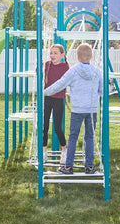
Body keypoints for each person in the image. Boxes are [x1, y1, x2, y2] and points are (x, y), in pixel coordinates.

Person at [44, 43, 102, 174]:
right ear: (91, 56)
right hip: (92, 110)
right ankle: (89, 167)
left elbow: (60, 84)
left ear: (77, 57)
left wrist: (45, 92)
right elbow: (102, 90)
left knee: (73, 137)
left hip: (77, 110)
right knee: (89, 137)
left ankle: (68, 167)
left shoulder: (74, 70)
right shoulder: (97, 71)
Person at [43, 44, 69, 164]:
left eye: (55, 53)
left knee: (57, 128)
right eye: (51, 53)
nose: (52, 55)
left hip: (58, 100)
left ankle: (64, 151)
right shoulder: (47, 65)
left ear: (62, 55)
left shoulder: (65, 67)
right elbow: (39, 72)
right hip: (47, 99)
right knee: (44, 127)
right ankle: (44, 152)